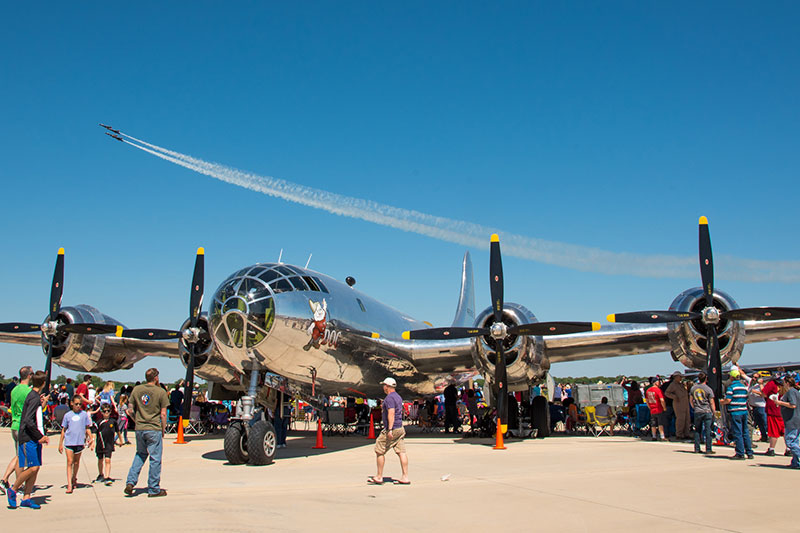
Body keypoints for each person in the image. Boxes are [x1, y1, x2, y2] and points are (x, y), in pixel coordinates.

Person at [7, 370, 49, 509]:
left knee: (35, 468)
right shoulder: (33, 397)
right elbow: (28, 421)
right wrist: (40, 437)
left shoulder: (33, 396)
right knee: (33, 467)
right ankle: (13, 489)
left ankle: (26, 497)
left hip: (29, 435)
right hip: (29, 437)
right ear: (43, 383)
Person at [124, 368, 169, 498]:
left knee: (140, 455)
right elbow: (163, 414)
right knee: (155, 458)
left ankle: (130, 482)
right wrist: (163, 429)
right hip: (154, 428)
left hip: (140, 428)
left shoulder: (136, 390)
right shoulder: (161, 392)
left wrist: (136, 421)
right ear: (156, 378)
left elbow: (130, 410)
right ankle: (154, 488)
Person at [368, 377, 409, 485]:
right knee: (401, 452)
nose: (383, 387)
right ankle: (405, 476)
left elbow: (391, 413)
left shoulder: (389, 398)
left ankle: (379, 476)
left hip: (393, 428)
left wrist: (389, 429)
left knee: (379, 450)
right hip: (400, 427)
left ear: (387, 386)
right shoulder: (398, 397)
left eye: (384, 385)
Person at [1, 366, 32, 496]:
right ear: (29, 375)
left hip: (14, 424)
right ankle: (15, 484)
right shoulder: (28, 391)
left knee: (19, 455)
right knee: (22, 458)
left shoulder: (14, 390)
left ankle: (6, 480)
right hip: (23, 426)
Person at [58, 395, 94, 493]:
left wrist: (91, 438)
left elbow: (87, 428)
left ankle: (74, 477)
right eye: (76, 404)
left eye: (80, 404)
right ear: (72, 403)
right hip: (69, 442)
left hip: (79, 442)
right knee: (69, 461)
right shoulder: (68, 415)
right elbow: (64, 429)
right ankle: (69, 484)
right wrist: (60, 443)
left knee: (76, 462)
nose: (78, 406)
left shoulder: (84, 415)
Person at [722, 369, 753, 460]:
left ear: (732, 377)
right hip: (744, 411)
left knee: (737, 432)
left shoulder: (731, 387)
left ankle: (740, 453)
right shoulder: (743, 387)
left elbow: (728, 400)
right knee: (745, 432)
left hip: (735, 412)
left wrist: (722, 402)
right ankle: (749, 452)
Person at [774, 376, 800, 469]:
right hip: (794, 420)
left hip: (792, 420)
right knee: (795, 441)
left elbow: (793, 405)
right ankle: (796, 462)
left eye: (783, 383)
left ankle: (798, 459)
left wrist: (780, 403)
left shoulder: (791, 392)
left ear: (787, 383)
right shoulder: (795, 391)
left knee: (790, 442)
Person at [690, 372, 716, 454]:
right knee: (708, 430)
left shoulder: (693, 388)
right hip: (706, 410)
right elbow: (712, 402)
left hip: (697, 411)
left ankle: (697, 448)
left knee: (697, 430)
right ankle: (708, 449)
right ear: (706, 379)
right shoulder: (708, 389)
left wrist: (694, 407)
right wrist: (714, 411)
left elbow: (690, 400)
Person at [759, 377, 785, 456]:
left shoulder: (772, 383)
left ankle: (771, 449)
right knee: (784, 431)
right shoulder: (786, 386)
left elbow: (764, 394)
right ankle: (789, 449)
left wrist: (760, 384)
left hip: (773, 411)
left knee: (773, 432)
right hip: (783, 411)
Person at [665, 372, 691, 440]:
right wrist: (674, 397)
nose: (681, 378)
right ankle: (679, 434)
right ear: (676, 377)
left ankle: (686, 433)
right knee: (680, 419)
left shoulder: (681, 384)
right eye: (679, 377)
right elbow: (667, 393)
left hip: (685, 403)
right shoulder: (673, 385)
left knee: (687, 419)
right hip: (678, 404)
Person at [95, 404, 116, 484]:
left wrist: (120, 440)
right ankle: (101, 474)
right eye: (104, 411)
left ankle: (107, 476)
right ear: (101, 412)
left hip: (109, 444)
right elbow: (94, 433)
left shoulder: (113, 422)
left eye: (108, 411)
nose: (106, 413)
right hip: (100, 444)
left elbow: (117, 432)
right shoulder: (99, 422)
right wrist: (92, 441)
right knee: (100, 460)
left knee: (108, 460)